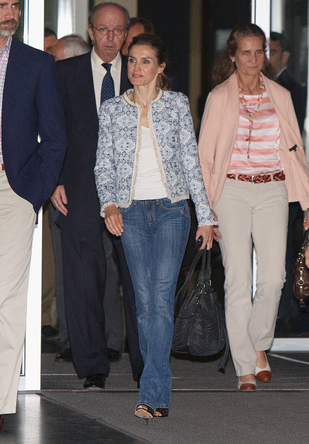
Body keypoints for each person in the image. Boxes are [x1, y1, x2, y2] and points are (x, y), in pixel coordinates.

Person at [95, 33, 215, 421]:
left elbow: (192, 162)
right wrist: (108, 203)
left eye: (145, 61)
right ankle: (159, 393)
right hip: (129, 212)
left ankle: (150, 394)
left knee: (160, 301)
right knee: (144, 305)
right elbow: (104, 165)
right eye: (132, 61)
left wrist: (207, 216)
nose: (136, 68)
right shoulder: (112, 110)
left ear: (160, 67)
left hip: (171, 210)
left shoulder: (177, 105)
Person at [198, 24, 309, 391]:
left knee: (274, 277)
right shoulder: (219, 96)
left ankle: (259, 343)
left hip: (273, 189)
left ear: (266, 54)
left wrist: (307, 201)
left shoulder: (279, 94)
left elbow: (296, 150)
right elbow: (205, 159)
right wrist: (205, 211)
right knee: (237, 280)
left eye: (258, 52)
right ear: (232, 55)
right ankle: (245, 363)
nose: (252, 59)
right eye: (245, 52)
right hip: (230, 192)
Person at [51, 2, 143, 389]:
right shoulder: (63, 74)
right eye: (103, 30)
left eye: (118, 31)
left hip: (134, 195)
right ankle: (91, 367)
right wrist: (52, 179)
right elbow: (49, 131)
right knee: (83, 281)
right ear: (90, 31)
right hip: (78, 190)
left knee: (138, 281)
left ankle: (146, 369)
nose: (110, 37)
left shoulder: (142, 75)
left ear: (126, 34)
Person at [0, 0, 66, 434]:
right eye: (1, 3)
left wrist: (31, 194)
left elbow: (55, 137)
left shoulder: (36, 64)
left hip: (9, 191)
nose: (11, 11)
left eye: (15, 5)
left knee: (2, 299)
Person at [49, 34, 90, 363]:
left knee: (101, 273)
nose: (53, 69)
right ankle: (70, 339)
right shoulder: (56, 87)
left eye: (57, 61)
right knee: (67, 271)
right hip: (60, 188)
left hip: (90, 192)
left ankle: (102, 340)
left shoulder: (86, 88)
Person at [270, 31, 307, 336]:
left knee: (286, 253)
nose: (266, 57)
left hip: (287, 181)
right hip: (265, 181)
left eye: (271, 51)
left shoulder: (293, 89)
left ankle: (287, 314)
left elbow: (294, 140)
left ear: (284, 56)